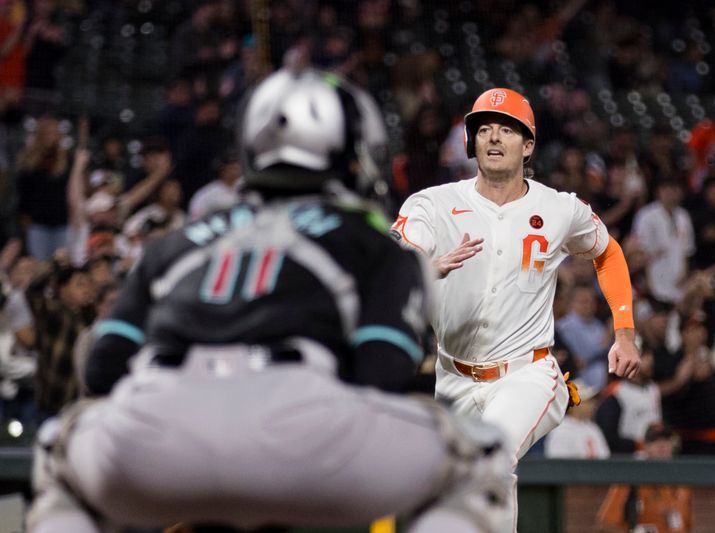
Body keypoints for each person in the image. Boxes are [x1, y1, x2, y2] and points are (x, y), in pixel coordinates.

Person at [26, 68, 514, 533]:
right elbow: (380, 374)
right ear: (353, 152)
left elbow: (103, 369)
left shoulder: (180, 239)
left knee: (57, 452)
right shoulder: (374, 244)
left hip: (161, 432)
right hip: (304, 435)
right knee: (482, 455)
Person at [390, 86, 641, 532]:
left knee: (493, 456)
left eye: (507, 130)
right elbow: (400, 251)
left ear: (527, 146)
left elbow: (609, 253)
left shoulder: (559, 208)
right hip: (454, 377)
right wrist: (421, 268)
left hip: (528, 372)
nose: (493, 137)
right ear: (471, 143)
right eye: (483, 128)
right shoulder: (434, 203)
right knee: (448, 483)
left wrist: (623, 331)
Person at [596, 422, 693, 533]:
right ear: (645, 446)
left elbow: (688, 525)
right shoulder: (631, 479)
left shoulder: (682, 482)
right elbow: (607, 524)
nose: (662, 445)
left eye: (666, 440)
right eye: (655, 441)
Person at [544, 379, 610, 459]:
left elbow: (605, 458)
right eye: (587, 401)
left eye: (592, 401)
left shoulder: (593, 428)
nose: (592, 405)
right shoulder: (561, 430)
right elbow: (559, 465)